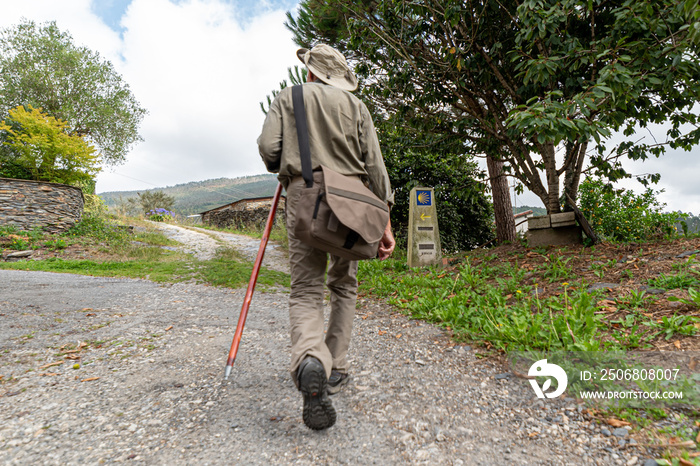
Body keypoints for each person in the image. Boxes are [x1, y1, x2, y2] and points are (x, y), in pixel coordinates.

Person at [257, 43, 395, 430]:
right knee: (344, 284)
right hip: (353, 202)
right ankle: (335, 366)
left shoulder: (290, 97)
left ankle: (309, 359)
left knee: (305, 288)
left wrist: (283, 163)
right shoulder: (358, 108)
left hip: (305, 194)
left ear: (310, 73)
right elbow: (376, 168)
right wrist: (384, 221)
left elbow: (269, 151)